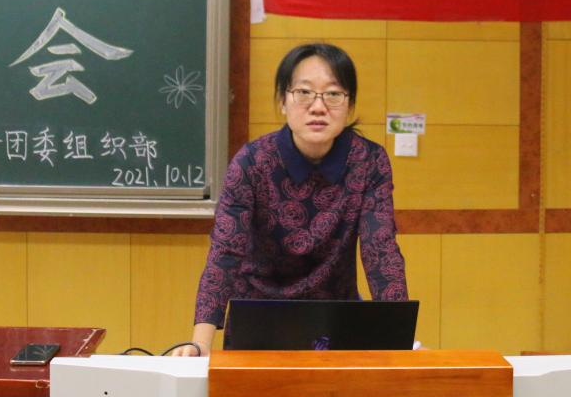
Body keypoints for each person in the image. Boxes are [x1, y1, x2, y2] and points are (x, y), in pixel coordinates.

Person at [173, 43, 408, 356]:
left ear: (349, 104)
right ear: (283, 101)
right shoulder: (252, 162)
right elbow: (225, 251)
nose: (318, 107)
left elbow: (380, 250)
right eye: (304, 92)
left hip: (336, 321)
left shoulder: (369, 161)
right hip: (258, 319)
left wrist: (397, 340)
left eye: (333, 94)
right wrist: (200, 343)